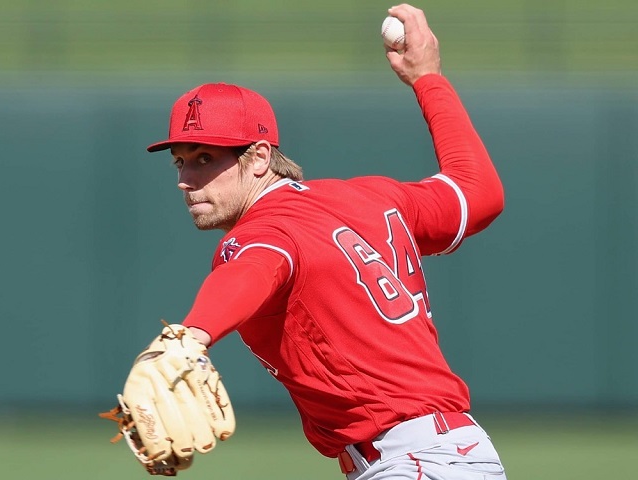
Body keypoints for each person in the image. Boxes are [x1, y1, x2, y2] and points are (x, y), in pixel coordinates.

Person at [145, 4, 507, 479]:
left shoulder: (263, 231)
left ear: (259, 157)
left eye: (205, 158)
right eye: (180, 161)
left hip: (412, 460)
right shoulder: (375, 197)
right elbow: (478, 194)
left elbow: (253, 269)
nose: (186, 178)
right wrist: (429, 79)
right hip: (453, 452)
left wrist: (193, 336)